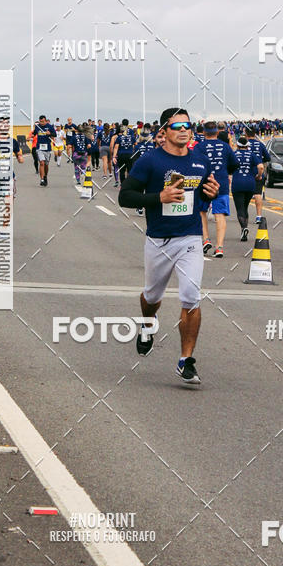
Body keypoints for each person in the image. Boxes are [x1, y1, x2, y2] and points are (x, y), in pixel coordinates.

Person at [118, 108, 219, 384]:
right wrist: (158, 197)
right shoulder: (150, 161)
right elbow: (124, 197)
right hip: (159, 241)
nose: (184, 130)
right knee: (151, 297)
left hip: (190, 239)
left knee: (191, 296)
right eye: (177, 126)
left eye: (188, 125)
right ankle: (148, 325)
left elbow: (206, 191)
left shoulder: (199, 161)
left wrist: (212, 192)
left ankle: (186, 360)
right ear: (164, 132)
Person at [197, 121, 239, 257]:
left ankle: (205, 239)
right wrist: (227, 171)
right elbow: (235, 164)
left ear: (204, 132)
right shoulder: (226, 147)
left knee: (202, 212)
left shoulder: (199, 147)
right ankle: (219, 247)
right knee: (220, 215)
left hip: (204, 183)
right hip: (221, 182)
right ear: (217, 132)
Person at [231, 137, 263, 241]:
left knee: (240, 208)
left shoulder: (234, 154)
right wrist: (259, 176)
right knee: (245, 207)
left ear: (237, 145)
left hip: (238, 183)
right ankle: (244, 231)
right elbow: (261, 166)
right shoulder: (252, 154)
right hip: (250, 183)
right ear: (247, 145)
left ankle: (243, 228)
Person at [245, 127, 271, 224]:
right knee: (258, 194)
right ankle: (258, 216)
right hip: (258, 171)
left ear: (246, 134)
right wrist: (260, 159)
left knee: (245, 194)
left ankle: (244, 214)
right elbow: (268, 157)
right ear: (255, 134)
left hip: (247, 172)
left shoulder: (244, 144)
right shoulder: (260, 144)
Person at [32, 115, 56, 186]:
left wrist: (50, 133)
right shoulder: (37, 126)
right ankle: (42, 179)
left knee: (46, 164)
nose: (41, 123)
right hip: (39, 148)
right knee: (41, 163)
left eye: (43, 121)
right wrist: (31, 136)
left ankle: (45, 176)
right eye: (40, 121)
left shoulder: (50, 126)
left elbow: (54, 134)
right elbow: (34, 133)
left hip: (47, 148)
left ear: (45, 120)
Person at [112, 119, 136, 186]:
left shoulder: (120, 135)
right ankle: (129, 184)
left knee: (122, 171)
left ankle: (122, 184)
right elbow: (135, 144)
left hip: (121, 154)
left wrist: (114, 156)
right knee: (130, 170)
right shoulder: (131, 132)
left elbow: (116, 147)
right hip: (130, 154)